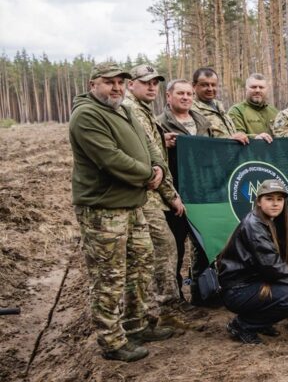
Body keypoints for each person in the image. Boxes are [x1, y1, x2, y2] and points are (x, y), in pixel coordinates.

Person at [70, 62, 176, 361]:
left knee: (141, 265)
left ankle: (136, 324)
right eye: (109, 82)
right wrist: (147, 174)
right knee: (109, 275)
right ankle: (112, 340)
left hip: (133, 204)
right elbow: (110, 159)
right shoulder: (87, 115)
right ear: (93, 85)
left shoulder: (125, 110)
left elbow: (148, 144)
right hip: (103, 209)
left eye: (120, 82)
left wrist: (157, 167)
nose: (116, 87)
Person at [217, 179, 288, 344]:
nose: (275, 204)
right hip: (239, 288)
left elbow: (284, 260)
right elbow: (272, 267)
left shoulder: (272, 221)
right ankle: (242, 325)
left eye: (279, 199)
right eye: (269, 199)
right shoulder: (254, 225)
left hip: (259, 279)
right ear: (258, 201)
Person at [123, 64, 181, 305]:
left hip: (145, 193)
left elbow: (149, 146)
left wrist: (161, 138)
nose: (151, 86)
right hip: (146, 194)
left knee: (148, 252)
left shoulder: (139, 110)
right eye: (145, 82)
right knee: (163, 247)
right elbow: (151, 156)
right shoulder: (132, 110)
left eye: (154, 82)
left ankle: (150, 306)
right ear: (130, 84)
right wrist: (172, 195)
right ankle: (165, 306)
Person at [158, 79, 214, 297]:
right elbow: (148, 154)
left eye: (189, 94)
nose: (185, 97)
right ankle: (175, 296)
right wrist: (163, 143)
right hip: (175, 195)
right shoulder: (159, 124)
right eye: (180, 93)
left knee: (203, 245)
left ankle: (203, 291)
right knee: (176, 248)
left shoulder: (203, 122)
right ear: (168, 96)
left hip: (201, 193)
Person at [192, 67, 248, 143]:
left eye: (213, 85)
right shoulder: (191, 110)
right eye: (205, 85)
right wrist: (228, 141)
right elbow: (197, 142)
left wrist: (255, 137)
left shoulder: (219, 107)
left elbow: (233, 135)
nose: (210, 89)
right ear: (194, 86)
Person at [228, 73, 277, 142]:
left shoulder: (275, 112)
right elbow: (237, 136)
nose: (257, 90)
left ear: (266, 90)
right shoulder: (236, 111)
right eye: (253, 87)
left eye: (261, 87)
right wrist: (256, 137)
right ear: (246, 89)